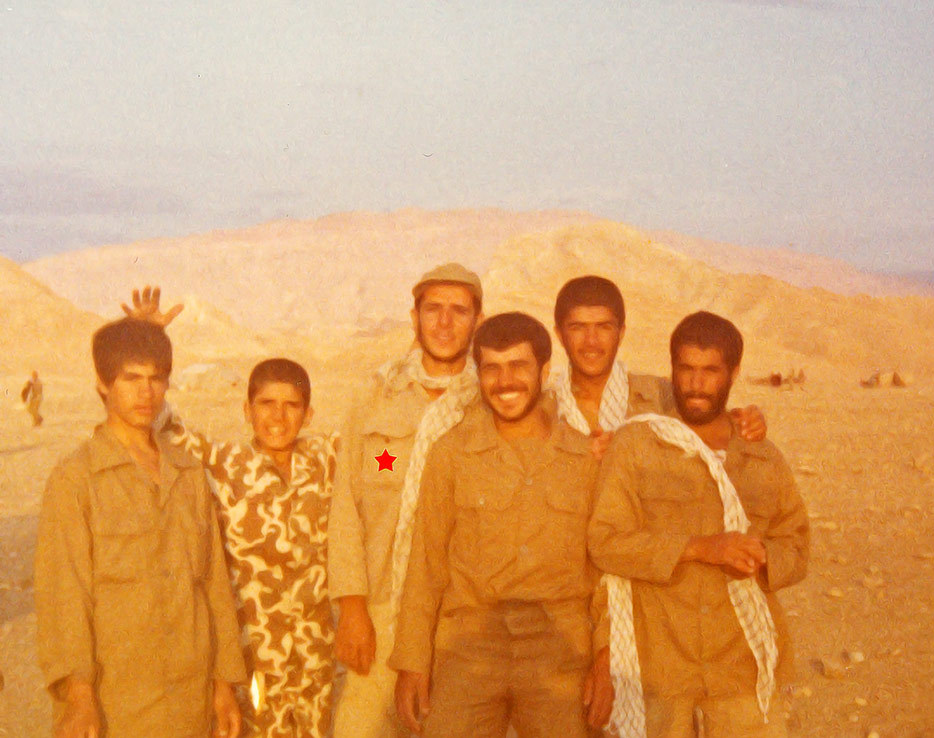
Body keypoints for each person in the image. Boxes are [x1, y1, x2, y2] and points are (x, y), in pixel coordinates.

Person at [124, 285, 339, 737]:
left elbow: (385, 454)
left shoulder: (328, 459)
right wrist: (145, 340)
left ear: (309, 414)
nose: (278, 417)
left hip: (314, 658)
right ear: (246, 410)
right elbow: (156, 418)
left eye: (292, 406)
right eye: (266, 404)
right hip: (251, 659)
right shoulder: (222, 463)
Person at [588, 311, 810, 738]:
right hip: (661, 669)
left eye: (710, 371)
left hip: (742, 670)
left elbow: (797, 544)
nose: (695, 384)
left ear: (734, 372)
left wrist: (763, 556)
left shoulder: (762, 456)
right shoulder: (637, 444)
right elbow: (605, 541)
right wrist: (701, 548)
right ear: (672, 368)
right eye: (686, 369)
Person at [392, 312, 612, 737]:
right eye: (492, 368)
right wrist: (413, 661)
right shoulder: (451, 453)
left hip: (560, 649)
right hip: (469, 645)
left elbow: (606, 572)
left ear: (544, 372)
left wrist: (605, 657)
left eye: (518, 366)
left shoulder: (585, 457)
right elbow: (426, 563)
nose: (504, 381)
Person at [34, 317, 245, 738]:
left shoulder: (187, 472)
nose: (146, 392)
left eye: (156, 378)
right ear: (102, 384)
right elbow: (65, 595)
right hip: (118, 703)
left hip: (190, 699)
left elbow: (214, 585)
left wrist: (224, 684)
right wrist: (79, 696)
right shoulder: (76, 478)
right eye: (131, 379)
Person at [329, 263, 484, 738]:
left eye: (459, 311)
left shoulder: (491, 403)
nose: (444, 322)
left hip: (459, 618)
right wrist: (352, 609)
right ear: (414, 317)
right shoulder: (375, 397)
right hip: (379, 612)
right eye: (433, 309)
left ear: (478, 320)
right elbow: (346, 507)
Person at [549, 276, 766, 447]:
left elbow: (711, 419)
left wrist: (747, 421)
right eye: (577, 328)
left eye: (604, 327)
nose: (591, 341)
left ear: (621, 333)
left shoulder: (662, 395)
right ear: (559, 334)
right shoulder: (544, 409)